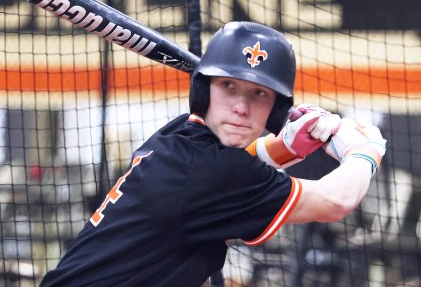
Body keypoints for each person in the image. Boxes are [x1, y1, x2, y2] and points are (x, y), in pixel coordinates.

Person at [39, 21, 386, 286]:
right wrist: (365, 149)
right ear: (204, 90)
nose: (240, 107)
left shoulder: (181, 136)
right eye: (228, 86)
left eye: (259, 94)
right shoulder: (213, 171)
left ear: (275, 111)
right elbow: (336, 200)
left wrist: (287, 147)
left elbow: (231, 173)